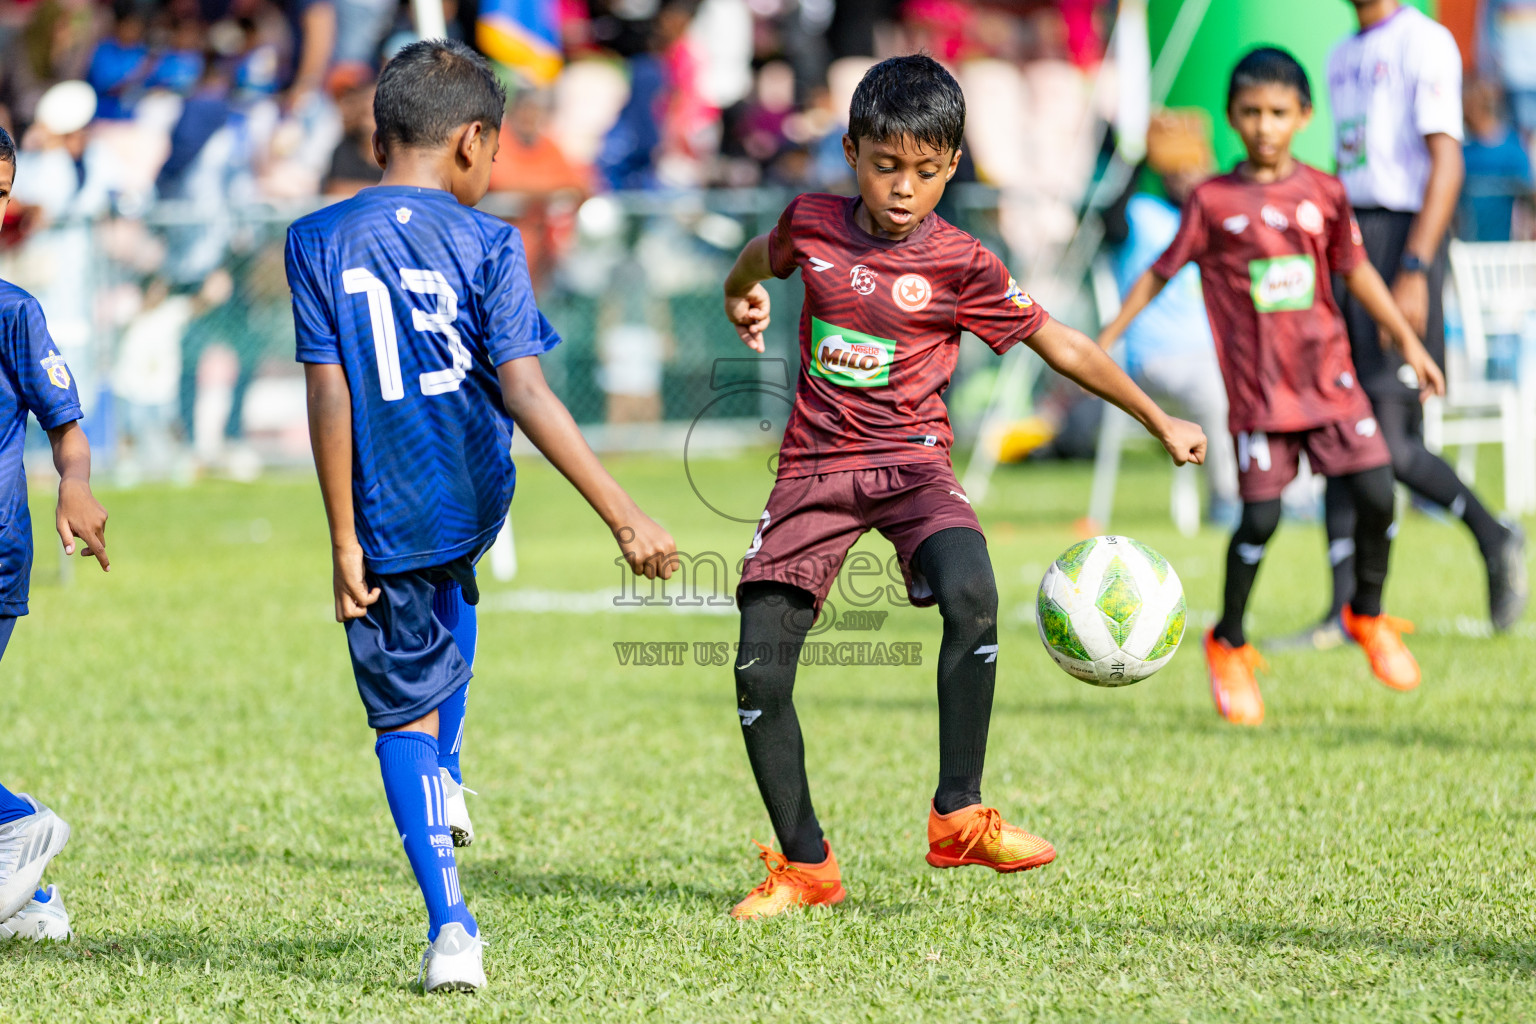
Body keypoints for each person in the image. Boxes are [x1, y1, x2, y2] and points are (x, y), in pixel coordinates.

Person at [719, 54, 1207, 919]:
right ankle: (805, 869)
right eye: (884, 166)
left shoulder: (963, 262)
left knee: (973, 591)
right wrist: (742, 295)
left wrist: (1156, 419)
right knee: (759, 670)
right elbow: (762, 256)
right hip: (813, 471)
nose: (903, 188)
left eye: (926, 171)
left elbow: (1064, 344)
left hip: (913, 466)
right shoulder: (813, 223)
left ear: (952, 166)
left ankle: (959, 815)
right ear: (851, 151)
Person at [285, 39, 675, 991]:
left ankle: (450, 917)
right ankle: (447, 871)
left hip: (385, 513)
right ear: (470, 143)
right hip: (465, 497)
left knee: (404, 726)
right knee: (424, 701)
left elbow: (328, 396)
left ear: (381, 136)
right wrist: (624, 515)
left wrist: (341, 536)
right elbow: (530, 396)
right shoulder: (491, 242)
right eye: (496, 155)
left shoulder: (317, 238)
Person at [1101, 48, 1445, 726]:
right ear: (1232, 118)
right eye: (1252, 113)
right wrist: (1106, 337)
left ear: (1304, 116)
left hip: (1333, 382)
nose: (1265, 126)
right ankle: (1228, 640)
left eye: (1279, 113)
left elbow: (1356, 270)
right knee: (1259, 519)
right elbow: (1160, 273)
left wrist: (1407, 341)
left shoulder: (1323, 192)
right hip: (1261, 394)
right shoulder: (1212, 200)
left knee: (1378, 493)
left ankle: (1367, 614)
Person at [1302, 0, 1527, 648]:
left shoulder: (1423, 41)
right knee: (1339, 423)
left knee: (1389, 438)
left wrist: (1415, 264)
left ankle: (1495, 533)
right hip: (1350, 244)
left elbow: (1446, 162)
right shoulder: (1342, 53)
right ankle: (1344, 614)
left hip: (1402, 240)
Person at [0, 124, 112, 943]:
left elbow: (66, 427)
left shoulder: (13, 312)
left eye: (1, 194)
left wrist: (74, 484)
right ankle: (33, 897)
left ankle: (21, 824)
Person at [1103, 111, 1240, 526]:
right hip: (1158, 358)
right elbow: (1108, 219)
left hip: (1211, 352)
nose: (1188, 175)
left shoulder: (1210, 216)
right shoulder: (1141, 213)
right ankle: (1228, 502)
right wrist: (1143, 155)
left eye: (1195, 165)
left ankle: (1295, 496)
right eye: (1177, 167)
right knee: (1216, 393)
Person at [1460, 78, 1534, 242]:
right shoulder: (1462, 153)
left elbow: (1530, 200)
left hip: (1506, 254)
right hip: (1467, 252)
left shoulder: (1514, 152)